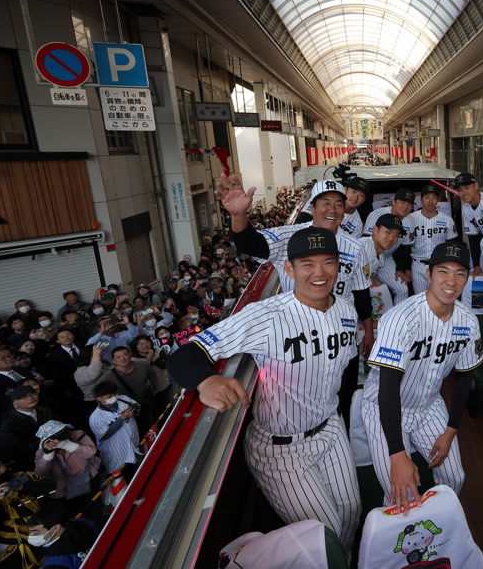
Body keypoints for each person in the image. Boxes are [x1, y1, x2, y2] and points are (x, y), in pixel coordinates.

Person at [167, 228, 361, 550]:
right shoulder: (265, 316)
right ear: (289, 269)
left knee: (352, 513)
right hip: (281, 448)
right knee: (325, 537)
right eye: (307, 264)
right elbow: (185, 354)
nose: (320, 272)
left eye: (328, 262)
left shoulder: (346, 310)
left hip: (331, 429)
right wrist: (206, 380)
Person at [220, 178, 374, 422]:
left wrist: (368, 332)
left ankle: (336, 433)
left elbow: (361, 293)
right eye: (325, 203)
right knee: (301, 400)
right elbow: (250, 243)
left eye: (338, 204)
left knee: (341, 399)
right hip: (299, 335)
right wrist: (239, 215)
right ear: (311, 208)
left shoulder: (355, 247)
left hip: (341, 331)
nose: (332, 209)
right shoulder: (290, 236)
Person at [361, 242, 483, 514]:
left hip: (429, 405)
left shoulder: (468, 322)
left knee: (455, 478)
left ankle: (439, 530)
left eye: (460, 273)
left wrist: (451, 430)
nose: (451, 281)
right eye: (443, 271)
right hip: (384, 406)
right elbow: (388, 386)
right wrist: (397, 453)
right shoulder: (400, 318)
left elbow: (464, 378)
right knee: (401, 495)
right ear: (428, 274)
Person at [0, 452, 55, 568]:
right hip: (13, 550)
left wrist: (23, 487)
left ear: (5, 465)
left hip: (47, 533)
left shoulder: (22, 477)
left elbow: (51, 486)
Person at [33, 421, 100, 517]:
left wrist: (67, 445)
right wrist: (48, 455)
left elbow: (91, 452)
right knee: (76, 515)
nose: (59, 437)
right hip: (64, 490)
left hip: (88, 479)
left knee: (95, 510)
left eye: (62, 431)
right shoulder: (42, 451)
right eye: (54, 435)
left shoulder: (77, 435)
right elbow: (40, 474)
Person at [403, 184, 460, 293]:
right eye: (427, 197)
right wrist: (405, 268)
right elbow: (405, 247)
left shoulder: (447, 220)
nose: (430, 201)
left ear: (438, 199)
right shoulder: (410, 219)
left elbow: (452, 244)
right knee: (420, 298)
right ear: (421, 200)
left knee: (439, 296)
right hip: (418, 265)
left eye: (434, 197)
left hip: (439, 264)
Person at [363, 188, 417, 299]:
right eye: (402, 202)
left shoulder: (410, 221)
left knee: (402, 289)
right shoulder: (376, 215)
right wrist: (372, 271)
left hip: (387, 257)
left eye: (409, 204)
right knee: (367, 288)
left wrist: (400, 269)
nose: (405, 207)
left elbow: (404, 248)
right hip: (368, 257)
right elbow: (367, 243)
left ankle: (397, 311)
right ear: (393, 202)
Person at [93, 347, 159, 435]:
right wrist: (107, 405)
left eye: (125, 355)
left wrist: (155, 389)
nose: (123, 358)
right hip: (128, 410)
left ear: (130, 355)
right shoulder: (108, 376)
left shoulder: (143, 365)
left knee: (152, 426)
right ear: (113, 361)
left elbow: (153, 375)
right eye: (118, 357)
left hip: (146, 402)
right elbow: (95, 391)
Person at [89, 381, 142, 478]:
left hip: (132, 444)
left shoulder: (123, 399)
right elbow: (105, 435)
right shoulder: (96, 417)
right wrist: (121, 418)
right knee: (120, 478)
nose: (114, 397)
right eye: (109, 396)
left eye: (115, 394)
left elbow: (138, 410)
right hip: (117, 452)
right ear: (99, 399)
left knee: (136, 471)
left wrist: (134, 410)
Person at [0, 386, 56, 472]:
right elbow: (18, 449)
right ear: (15, 405)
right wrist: (45, 442)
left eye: (32, 393)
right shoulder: (9, 425)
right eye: (23, 397)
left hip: (57, 450)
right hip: (33, 463)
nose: (30, 398)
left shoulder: (44, 410)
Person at [26, 504, 99, 568]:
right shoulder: (84, 523)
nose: (30, 536)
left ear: (56, 528)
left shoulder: (54, 564)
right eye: (30, 531)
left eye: (35, 532)